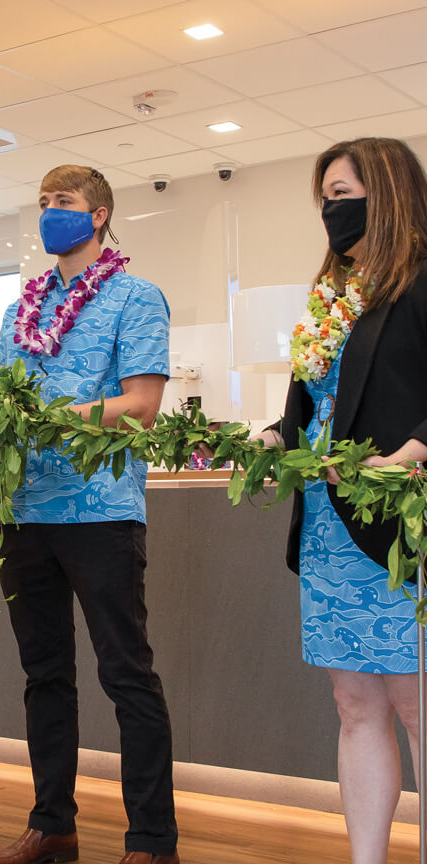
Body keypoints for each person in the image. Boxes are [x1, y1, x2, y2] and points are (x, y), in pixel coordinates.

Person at [0, 165, 179, 864]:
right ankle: (53, 827)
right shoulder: (21, 311)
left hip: (101, 512)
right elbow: (3, 413)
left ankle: (151, 842)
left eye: (64, 203)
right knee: (44, 675)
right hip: (25, 511)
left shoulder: (137, 298)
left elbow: (140, 406)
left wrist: (52, 417)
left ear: (98, 215)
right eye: (42, 202)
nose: (50, 214)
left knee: (126, 674)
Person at [255, 138, 427, 864]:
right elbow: (309, 403)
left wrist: (418, 449)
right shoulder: (329, 298)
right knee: (355, 707)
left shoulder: (421, 281)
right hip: (330, 529)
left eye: (345, 192)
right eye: (325, 195)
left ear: (388, 193)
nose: (332, 208)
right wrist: (272, 434)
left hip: (401, 527)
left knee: (419, 710)